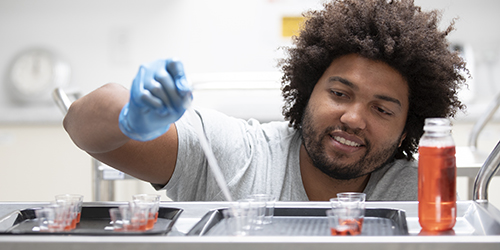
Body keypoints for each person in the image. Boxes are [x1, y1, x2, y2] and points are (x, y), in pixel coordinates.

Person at [63, 0, 467, 201]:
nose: (353, 117)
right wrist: (130, 113)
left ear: (406, 130)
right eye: (339, 93)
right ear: (308, 92)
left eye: (382, 109)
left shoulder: (414, 193)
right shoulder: (236, 156)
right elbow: (80, 126)